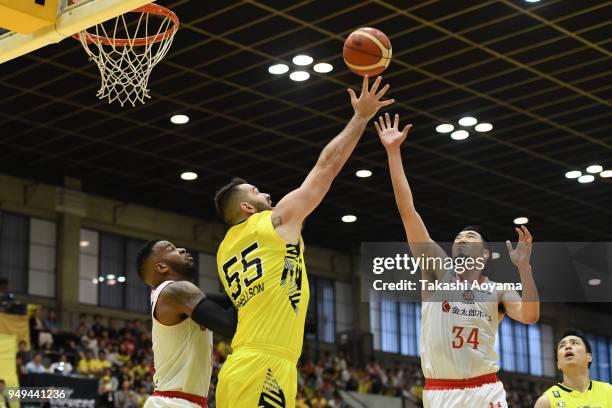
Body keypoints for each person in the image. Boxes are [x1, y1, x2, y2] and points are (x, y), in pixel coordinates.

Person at [213, 75, 394, 408]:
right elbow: (326, 167)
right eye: (256, 192)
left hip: (247, 362)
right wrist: (361, 117)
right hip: (264, 365)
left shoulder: (225, 249)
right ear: (246, 207)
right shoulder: (273, 222)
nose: (266, 193)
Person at [375, 113, 540, 408]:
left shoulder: (498, 291)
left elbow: (529, 316)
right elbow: (407, 210)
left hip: (486, 388)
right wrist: (393, 152)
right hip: (441, 392)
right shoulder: (439, 272)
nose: (462, 239)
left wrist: (524, 269)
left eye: (471, 236)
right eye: (459, 237)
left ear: (485, 253)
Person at [135, 239, 238, 407]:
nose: (182, 249)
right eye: (172, 249)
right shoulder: (174, 291)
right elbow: (229, 324)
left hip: (182, 401)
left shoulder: (182, 296)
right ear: (161, 267)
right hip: (174, 402)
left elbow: (231, 301)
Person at [534, 329, 612, 407]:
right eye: (562, 346)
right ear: (558, 364)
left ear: (589, 357)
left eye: (574, 343)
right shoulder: (546, 402)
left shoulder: (609, 392)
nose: (567, 347)